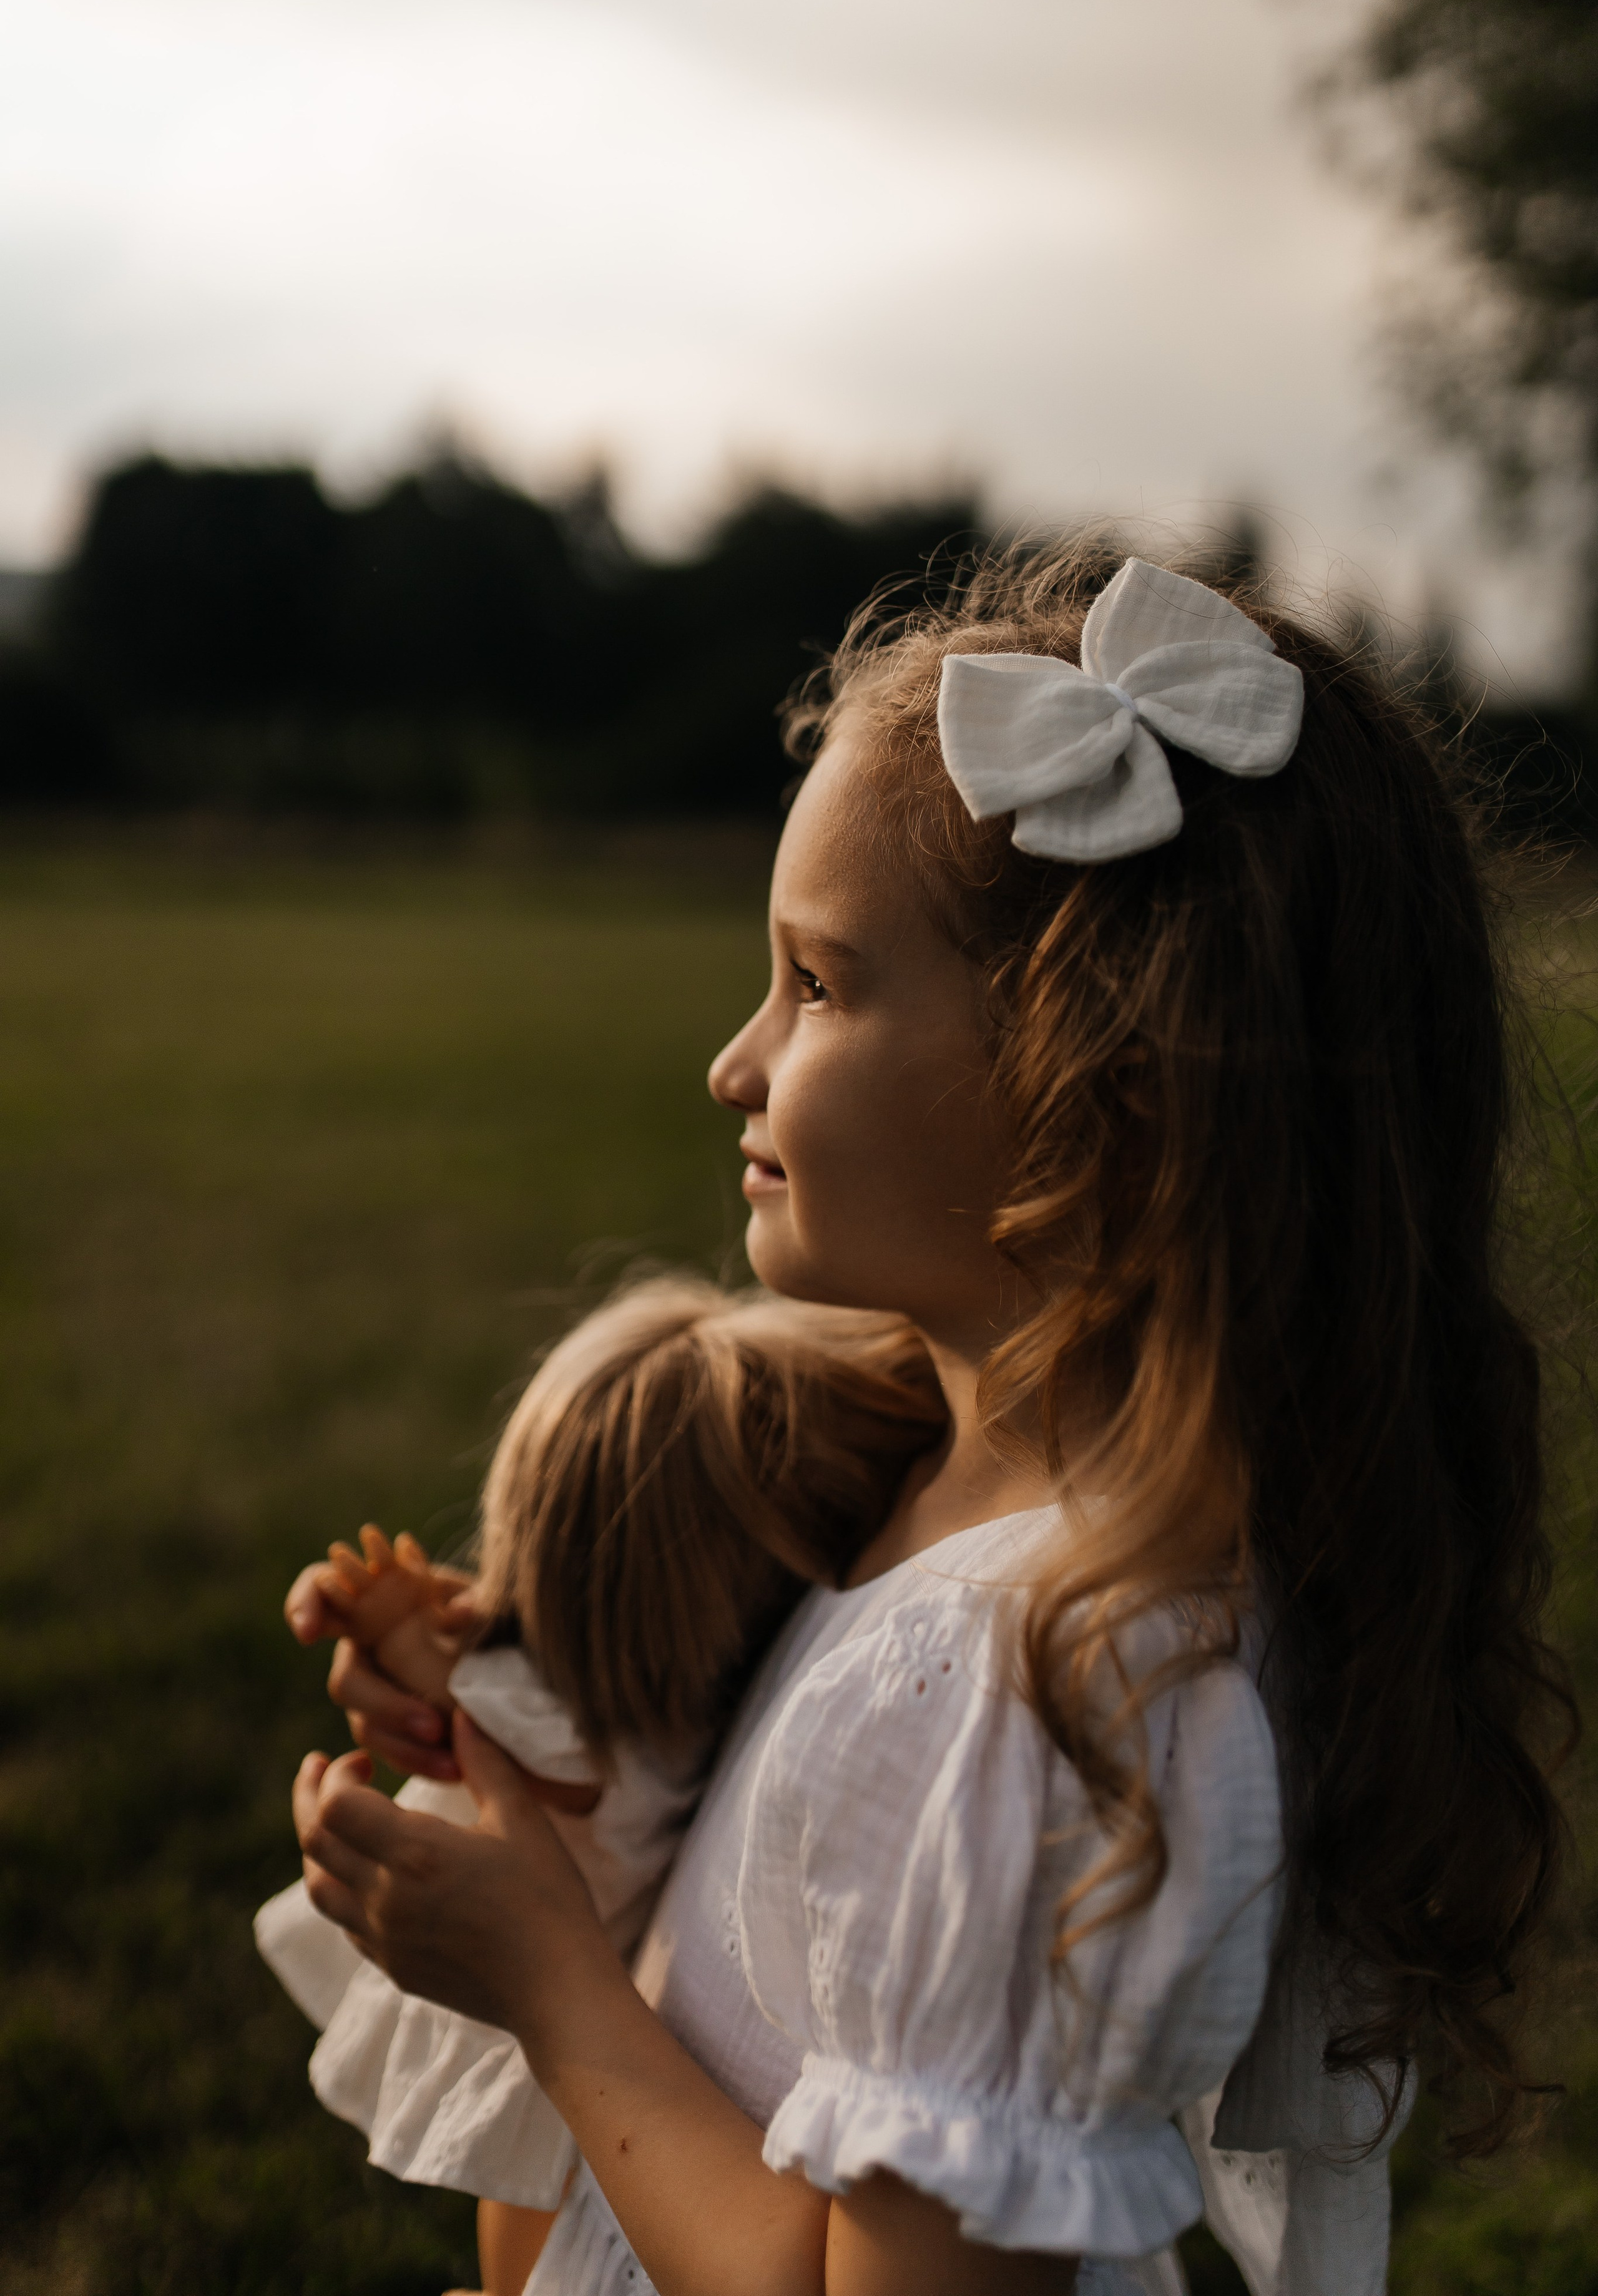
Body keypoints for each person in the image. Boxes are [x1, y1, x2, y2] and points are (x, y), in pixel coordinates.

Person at [287, 547, 1571, 2295]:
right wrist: (496, 1734)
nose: (737, 1062)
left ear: (1097, 1086)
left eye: (817, 983)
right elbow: (771, 1912)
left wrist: (549, 1987)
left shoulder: (1047, 1687)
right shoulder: (934, 1480)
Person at [267, 1279, 943, 2295]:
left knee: (543, 2202)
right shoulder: (628, 1723)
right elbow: (478, 1700)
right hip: (594, 2015)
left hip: (593, 2020)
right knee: (540, 2188)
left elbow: (481, 1703)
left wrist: (407, 1632)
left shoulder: (591, 1732)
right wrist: (415, 1635)